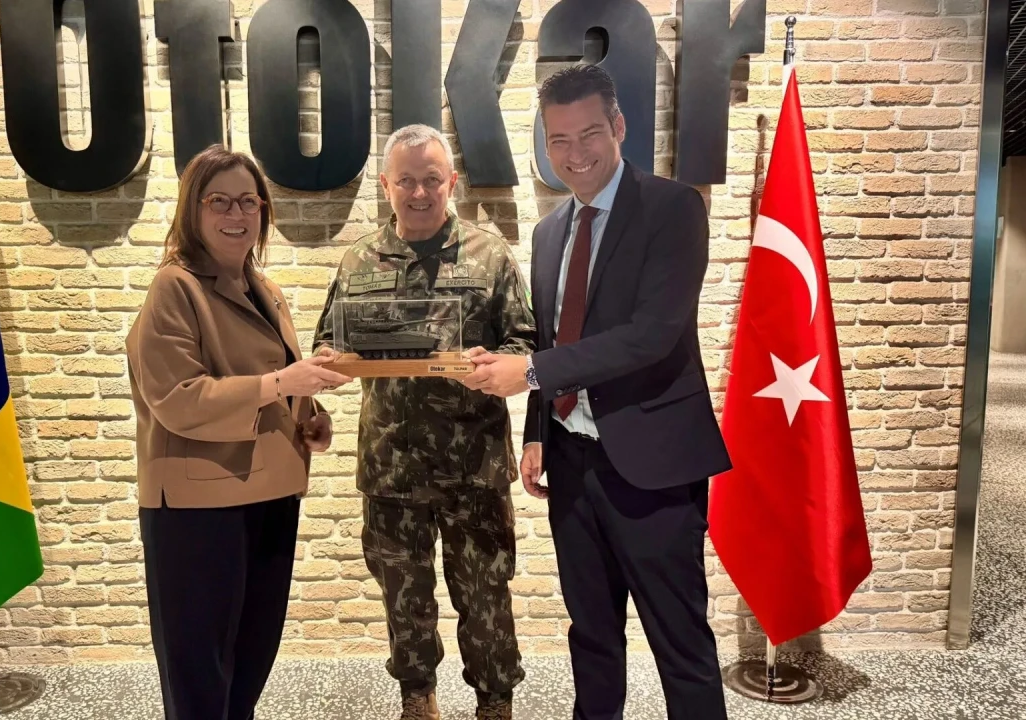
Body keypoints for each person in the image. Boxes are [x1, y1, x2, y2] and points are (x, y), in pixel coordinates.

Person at [461, 65, 732, 720]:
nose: (574, 153)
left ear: (619, 127)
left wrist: (529, 374)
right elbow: (552, 338)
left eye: (588, 134)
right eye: (558, 139)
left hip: (653, 465)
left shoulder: (673, 208)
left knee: (680, 641)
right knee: (591, 634)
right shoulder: (549, 232)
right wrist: (537, 431)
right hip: (572, 463)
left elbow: (652, 336)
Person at [312, 124, 536, 720]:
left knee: (485, 596)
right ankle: (417, 697)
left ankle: (495, 701)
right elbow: (327, 342)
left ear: (451, 182)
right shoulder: (358, 260)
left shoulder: (490, 256)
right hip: (391, 467)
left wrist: (497, 365)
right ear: (386, 186)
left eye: (431, 179)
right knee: (403, 598)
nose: (419, 192)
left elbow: (526, 343)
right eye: (406, 180)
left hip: (474, 466)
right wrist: (330, 365)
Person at [126, 145, 351, 720]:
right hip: (199, 511)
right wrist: (281, 384)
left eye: (249, 201)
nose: (237, 214)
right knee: (200, 680)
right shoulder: (175, 287)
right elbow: (178, 399)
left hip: (270, 497)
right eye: (219, 201)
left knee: (249, 666)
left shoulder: (264, 288)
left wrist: (308, 418)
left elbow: (275, 383)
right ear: (192, 210)